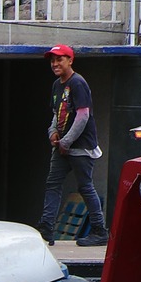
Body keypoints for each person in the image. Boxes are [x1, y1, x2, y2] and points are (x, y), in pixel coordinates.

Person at [37, 44, 109, 248]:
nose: (55, 63)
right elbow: (56, 113)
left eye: (59, 59)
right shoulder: (56, 85)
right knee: (53, 183)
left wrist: (66, 141)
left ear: (70, 60)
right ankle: (47, 227)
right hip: (62, 146)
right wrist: (52, 132)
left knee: (85, 186)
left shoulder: (78, 83)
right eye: (52, 60)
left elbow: (83, 115)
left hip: (80, 146)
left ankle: (99, 230)